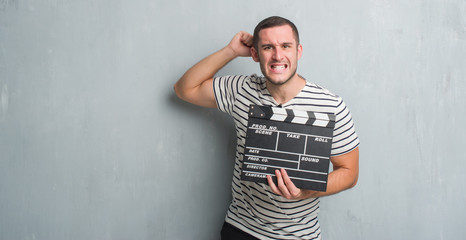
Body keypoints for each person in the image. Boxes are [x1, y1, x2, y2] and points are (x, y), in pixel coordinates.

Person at [174, 16, 360, 240]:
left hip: (297, 234)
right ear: (255, 54)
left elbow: (349, 173)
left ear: (298, 51)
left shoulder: (331, 105)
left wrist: (305, 192)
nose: (278, 56)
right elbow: (184, 89)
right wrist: (231, 51)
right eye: (268, 47)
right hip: (241, 228)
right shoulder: (242, 89)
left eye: (285, 46)